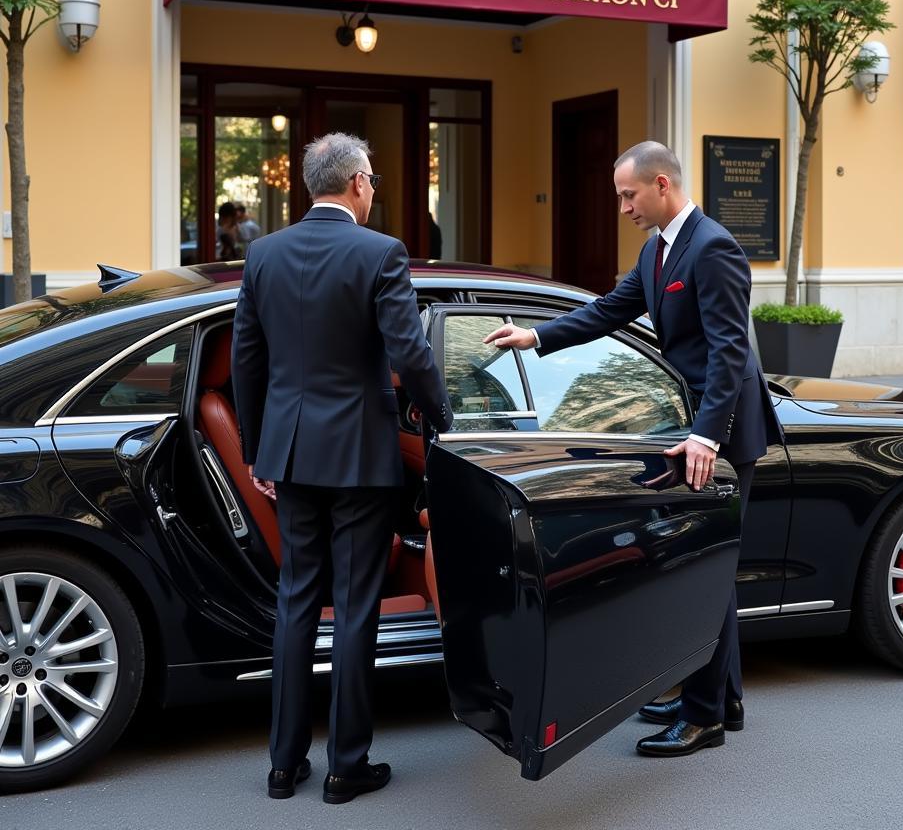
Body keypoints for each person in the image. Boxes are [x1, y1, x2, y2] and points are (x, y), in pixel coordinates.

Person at [484, 140, 783, 759]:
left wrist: (707, 434)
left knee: (705, 570)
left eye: (629, 194)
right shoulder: (657, 251)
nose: (622, 207)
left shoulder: (714, 247)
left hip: (719, 436)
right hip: (691, 430)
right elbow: (610, 311)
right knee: (710, 568)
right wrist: (534, 337)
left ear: (662, 186)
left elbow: (730, 349)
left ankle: (704, 718)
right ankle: (718, 695)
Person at [232, 132, 452, 804]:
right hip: (359, 455)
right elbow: (409, 354)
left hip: (292, 456)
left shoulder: (263, 254)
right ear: (358, 182)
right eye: (374, 180)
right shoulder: (379, 252)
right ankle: (345, 766)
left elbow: (247, 358)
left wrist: (256, 450)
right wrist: (434, 412)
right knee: (356, 608)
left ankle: (282, 764)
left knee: (297, 602)